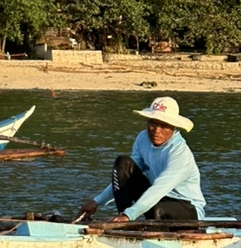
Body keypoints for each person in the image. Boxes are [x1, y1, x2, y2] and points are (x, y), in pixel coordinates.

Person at [78, 96, 206, 223]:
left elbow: (159, 188)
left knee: (155, 210)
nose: (156, 130)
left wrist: (130, 215)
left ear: (174, 127)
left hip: (186, 207)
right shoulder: (143, 138)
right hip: (157, 200)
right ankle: (121, 218)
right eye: (153, 123)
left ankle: (126, 219)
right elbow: (126, 177)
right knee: (123, 163)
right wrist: (97, 201)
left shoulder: (180, 154)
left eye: (164, 125)